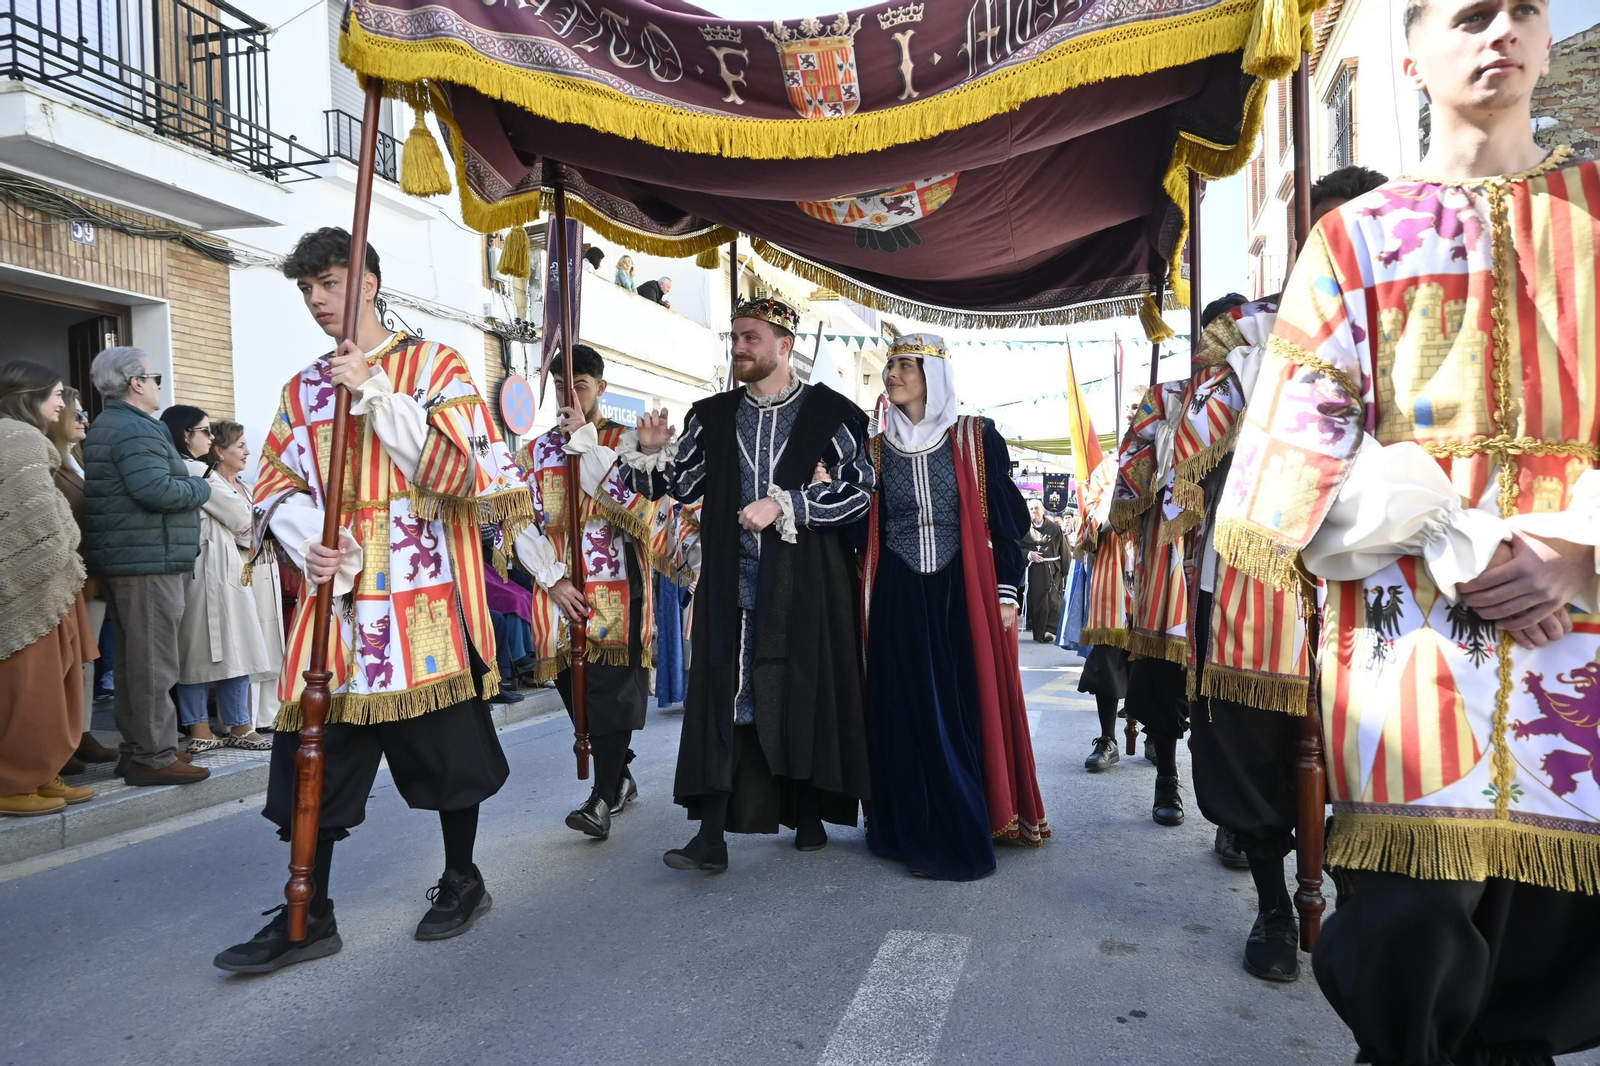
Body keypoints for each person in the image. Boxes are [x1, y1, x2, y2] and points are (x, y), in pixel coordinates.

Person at [1215, 1, 1600, 1059]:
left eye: (1523, 10)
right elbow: (1293, 457)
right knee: (1409, 945)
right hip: (1407, 652)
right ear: (1411, 55)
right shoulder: (1354, 238)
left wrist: (1577, 552)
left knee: (1553, 966)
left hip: (1582, 642)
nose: (1502, 32)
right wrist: (1450, 534)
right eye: (1472, 14)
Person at [214, 227, 543, 973]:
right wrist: (309, 539)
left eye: (328, 283)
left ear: (366, 281)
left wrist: (378, 394)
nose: (316, 300)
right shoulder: (301, 387)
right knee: (313, 759)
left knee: (447, 756)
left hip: (424, 594)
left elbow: (471, 475)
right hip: (338, 606)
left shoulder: (435, 366)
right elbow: (270, 485)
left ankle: (463, 878)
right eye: (305, 288)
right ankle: (309, 909)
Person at [1178, 171, 1389, 983]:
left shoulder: (1415, 321)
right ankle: (1272, 903)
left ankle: (1372, 899)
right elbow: (1190, 449)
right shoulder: (1249, 334)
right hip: (1259, 576)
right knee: (1248, 749)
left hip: (1380, 573)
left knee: (1374, 749)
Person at [616, 296, 874, 872]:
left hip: (806, 584)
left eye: (751, 338)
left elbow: (860, 492)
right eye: (734, 338)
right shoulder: (711, 414)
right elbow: (681, 486)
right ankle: (711, 835)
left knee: (799, 690)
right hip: (732, 579)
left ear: (785, 346)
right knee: (724, 698)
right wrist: (653, 453)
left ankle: (808, 814)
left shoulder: (834, 414)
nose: (738, 348)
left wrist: (789, 505)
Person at [859, 334, 1047, 880]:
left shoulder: (974, 436)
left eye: (903, 365)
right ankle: (901, 825)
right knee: (902, 705)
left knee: (960, 706)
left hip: (958, 588)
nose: (892, 374)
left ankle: (965, 818)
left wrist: (1007, 591)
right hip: (895, 588)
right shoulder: (872, 448)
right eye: (890, 365)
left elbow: (1006, 520)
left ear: (933, 375)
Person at [518, 343, 682, 840]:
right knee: (580, 700)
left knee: (613, 694)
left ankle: (602, 799)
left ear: (600, 389)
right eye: (563, 388)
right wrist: (552, 577)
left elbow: (642, 510)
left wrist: (587, 448)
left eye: (581, 386)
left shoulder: (626, 443)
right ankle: (620, 775)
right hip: (560, 593)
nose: (571, 396)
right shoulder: (534, 451)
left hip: (619, 592)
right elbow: (517, 518)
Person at [83, 346, 211, 786]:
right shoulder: (135, 429)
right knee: (153, 663)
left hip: (135, 557)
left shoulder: (115, 424)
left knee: (136, 662)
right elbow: (156, 490)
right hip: (147, 560)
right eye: (155, 378)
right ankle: (153, 757)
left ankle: (138, 749)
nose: (160, 385)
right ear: (136, 383)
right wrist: (199, 486)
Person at [0, 361, 97, 815]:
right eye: (57, 394)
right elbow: (33, 523)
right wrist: (59, 550)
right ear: (29, 396)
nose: (63, 405)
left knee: (55, 682)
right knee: (33, 685)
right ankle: (15, 782)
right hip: (34, 582)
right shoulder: (18, 439)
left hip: (54, 576)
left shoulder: (26, 440)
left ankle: (42, 771)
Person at [160, 408, 272, 752]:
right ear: (184, 434)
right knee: (205, 648)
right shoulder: (197, 471)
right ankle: (221, 727)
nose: (209, 439)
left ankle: (215, 727)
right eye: (204, 432)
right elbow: (242, 518)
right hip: (210, 566)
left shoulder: (196, 470)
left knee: (218, 646)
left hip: (215, 566)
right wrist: (246, 530)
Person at [1110, 378, 1193, 825]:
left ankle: (1241, 821)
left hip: (1239, 547)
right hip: (1169, 550)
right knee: (1163, 675)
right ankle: (1167, 776)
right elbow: (1131, 470)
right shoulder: (1169, 400)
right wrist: (1168, 442)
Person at [46, 387, 119, 772]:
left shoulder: (78, 458)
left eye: (83, 412)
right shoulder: (44, 461)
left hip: (91, 572)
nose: (82, 419)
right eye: (75, 413)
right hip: (62, 575)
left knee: (85, 659)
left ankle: (81, 733)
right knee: (63, 659)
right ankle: (59, 741)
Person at [1072, 453, 1133, 773]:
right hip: (1112, 577)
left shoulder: (1173, 453)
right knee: (1108, 661)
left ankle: (1160, 742)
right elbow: (1088, 526)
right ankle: (1108, 738)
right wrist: (1115, 497)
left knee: (1159, 666)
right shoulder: (1107, 469)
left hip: (1156, 571)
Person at [1023, 499, 1066, 642]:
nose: (1033, 511)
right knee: (1038, 601)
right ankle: (1040, 633)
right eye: (1030, 509)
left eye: (1036, 508)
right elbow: (1017, 549)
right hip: (1035, 572)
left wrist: (1066, 571)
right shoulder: (1023, 529)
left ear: (1043, 510)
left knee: (1054, 599)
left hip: (1053, 569)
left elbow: (1064, 550)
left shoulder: (1054, 528)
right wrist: (1029, 554)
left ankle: (1051, 630)